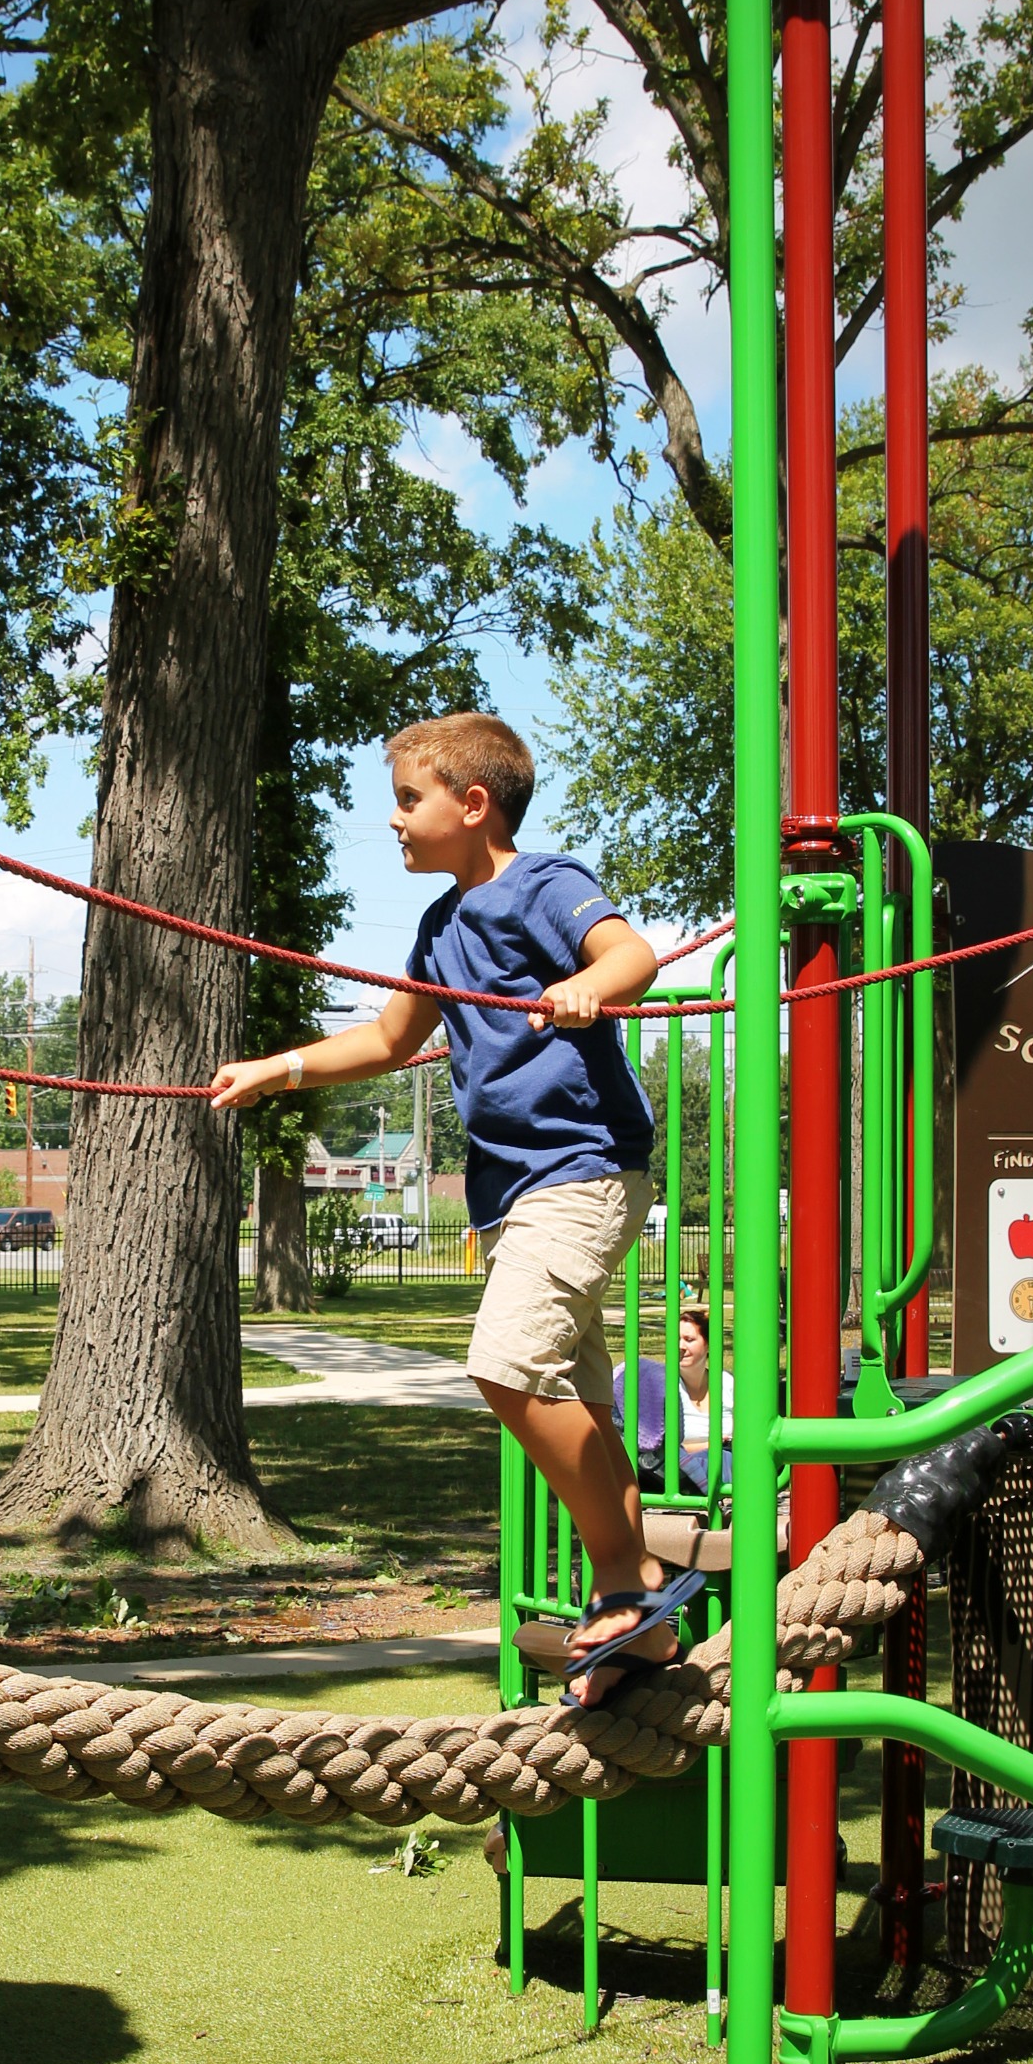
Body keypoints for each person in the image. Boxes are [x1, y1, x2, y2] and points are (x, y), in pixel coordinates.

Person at [211, 710, 701, 1703]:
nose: (393, 820)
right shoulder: (439, 928)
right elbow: (388, 1041)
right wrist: (278, 1068)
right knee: (580, 1398)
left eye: (407, 799)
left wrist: (587, 986)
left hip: (581, 1169)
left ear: (473, 804)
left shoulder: (542, 883)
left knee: (503, 1365)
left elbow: (631, 954)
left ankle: (628, 1576)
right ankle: (638, 1613)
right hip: (513, 1191)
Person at [673, 1306, 733, 1492]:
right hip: (681, 1474)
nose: (680, 1346)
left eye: (689, 1339)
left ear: (708, 1345)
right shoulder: (664, 1386)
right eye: (676, 1339)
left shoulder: (726, 1383)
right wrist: (710, 1445)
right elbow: (659, 1451)